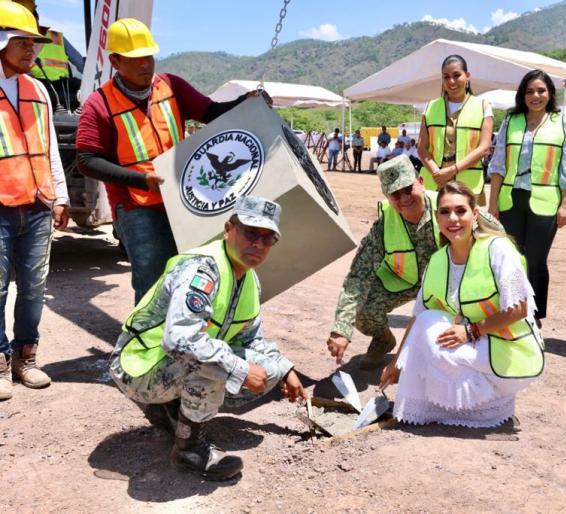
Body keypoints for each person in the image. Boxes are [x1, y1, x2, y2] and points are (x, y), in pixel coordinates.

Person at [110, 196, 306, 480]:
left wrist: (286, 368)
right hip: (138, 365)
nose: (258, 244)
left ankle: (172, 407)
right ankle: (189, 449)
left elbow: (250, 340)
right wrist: (239, 369)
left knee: (270, 370)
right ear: (228, 229)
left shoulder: (249, 279)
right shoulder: (202, 270)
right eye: (250, 233)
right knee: (216, 366)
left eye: (268, 238)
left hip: (168, 363)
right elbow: (179, 340)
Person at [76, 18, 264, 305]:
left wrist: (245, 101)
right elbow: (87, 160)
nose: (145, 65)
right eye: (135, 58)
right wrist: (141, 179)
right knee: (153, 280)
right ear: (115, 60)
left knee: (193, 272)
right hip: (137, 205)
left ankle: (183, 337)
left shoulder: (171, 86)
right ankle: (146, 344)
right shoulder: (99, 103)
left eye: (148, 56)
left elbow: (210, 111)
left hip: (182, 200)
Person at [379, 181, 544, 427]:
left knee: (429, 333)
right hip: (474, 343)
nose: (452, 218)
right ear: (437, 217)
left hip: (507, 349)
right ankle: (443, 408)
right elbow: (418, 316)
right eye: (445, 212)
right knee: (425, 324)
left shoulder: (498, 249)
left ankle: (485, 406)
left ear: (474, 214)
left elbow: (519, 309)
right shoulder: (437, 261)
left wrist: (470, 331)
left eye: (460, 211)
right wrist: (395, 363)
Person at [325, 156, 503, 369]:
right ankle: (383, 340)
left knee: (446, 342)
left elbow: (497, 234)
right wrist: (341, 329)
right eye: (395, 194)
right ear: (387, 197)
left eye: (408, 189)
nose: (404, 198)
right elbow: (358, 276)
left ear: (420, 181)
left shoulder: (449, 205)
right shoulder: (383, 225)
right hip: (402, 282)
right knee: (363, 311)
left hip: (448, 287)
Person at [0, 2, 69, 400]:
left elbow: (49, 149)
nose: (32, 51)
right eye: (23, 42)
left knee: (33, 287)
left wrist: (59, 195)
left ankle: (26, 358)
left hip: (38, 205)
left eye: (35, 44)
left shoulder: (38, 89)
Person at [488, 69, 566, 328]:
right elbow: (498, 164)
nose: (535, 96)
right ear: (522, 95)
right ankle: (512, 309)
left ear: (549, 93)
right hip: (510, 199)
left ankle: (534, 315)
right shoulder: (511, 120)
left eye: (541, 90)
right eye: (530, 91)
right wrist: (493, 204)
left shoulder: (562, 122)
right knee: (512, 257)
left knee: (537, 259)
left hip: (546, 199)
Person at [417, 54, 493, 203]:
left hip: (467, 184)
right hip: (433, 182)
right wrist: (437, 173)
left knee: (463, 224)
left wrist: (453, 170)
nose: (451, 81)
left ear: (467, 76)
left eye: (457, 75)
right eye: (446, 77)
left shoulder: (483, 106)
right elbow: (421, 147)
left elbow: (484, 148)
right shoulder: (430, 107)